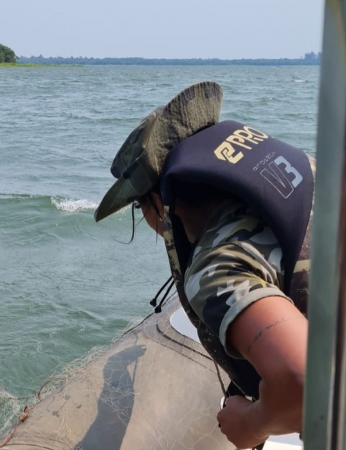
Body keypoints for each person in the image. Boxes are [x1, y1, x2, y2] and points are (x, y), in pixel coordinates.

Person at [94, 81, 314, 449]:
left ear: (157, 203)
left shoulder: (218, 264)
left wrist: (253, 426)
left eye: (137, 206)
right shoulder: (303, 173)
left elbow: (304, 380)